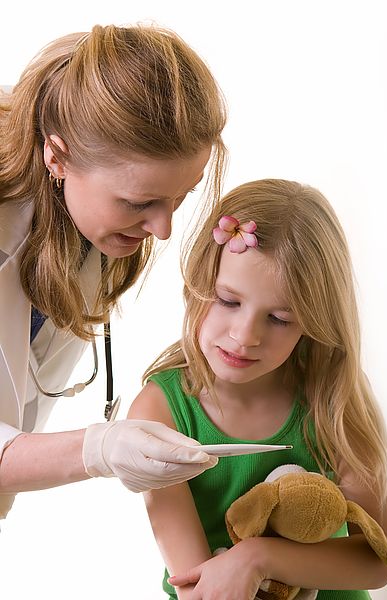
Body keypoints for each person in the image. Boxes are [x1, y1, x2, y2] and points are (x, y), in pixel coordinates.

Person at [128, 179, 387, 599]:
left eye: (279, 319)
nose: (244, 335)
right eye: (228, 301)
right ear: (198, 284)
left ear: (313, 323)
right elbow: (197, 587)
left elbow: (377, 560)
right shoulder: (159, 411)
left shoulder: (333, 399)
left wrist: (258, 558)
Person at [0, 23, 227, 521]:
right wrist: (96, 449)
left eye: (180, 197)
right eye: (138, 202)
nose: (163, 229)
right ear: (56, 156)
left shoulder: (78, 219)